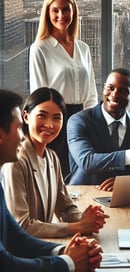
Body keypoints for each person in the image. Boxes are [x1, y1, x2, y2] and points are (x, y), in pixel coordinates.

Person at [0, 89, 102, 271]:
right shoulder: (15, 163)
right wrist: (69, 261)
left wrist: (66, 249)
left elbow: (16, 237)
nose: (22, 136)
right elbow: (7, 261)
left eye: (57, 118)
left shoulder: (52, 157)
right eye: (17, 128)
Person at [29, 0, 98, 178]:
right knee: (57, 175)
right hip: (55, 119)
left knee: (82, 175)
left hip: (82, 118)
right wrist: (46, 125)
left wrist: (92, 122)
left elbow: (91, 92)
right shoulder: (40, 48)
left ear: (73, 11)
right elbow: (38, 93)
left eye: (65, 9)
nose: (61, 15)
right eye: (55, 10)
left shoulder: (83, 48)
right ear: (47, 13)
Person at [67, 68, 130, 187]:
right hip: (84, 193)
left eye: (123, 91)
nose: (115, 94)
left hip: (126, 196)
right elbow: (87, 162)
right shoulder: (79, 121)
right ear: (104, 88)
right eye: (111, 88)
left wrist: (124, 183)